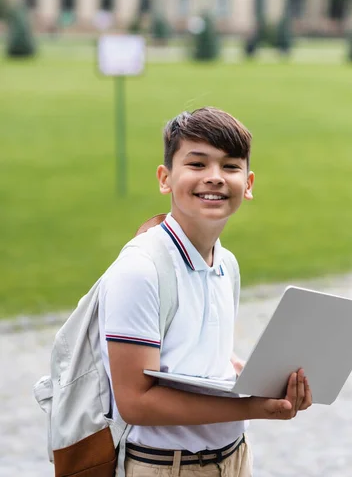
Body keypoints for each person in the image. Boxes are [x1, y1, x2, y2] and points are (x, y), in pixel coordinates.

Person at [98, 107, 312, 477]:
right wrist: (252, 407)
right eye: (197, 165)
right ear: (165, 178)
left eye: (230, 166)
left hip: (233, 457)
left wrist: (264, 380)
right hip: (167, 466)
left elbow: (203, 357)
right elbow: (135, 401)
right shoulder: (140, 269)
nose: (214, 177)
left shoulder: (226, 263)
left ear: (248, 184)